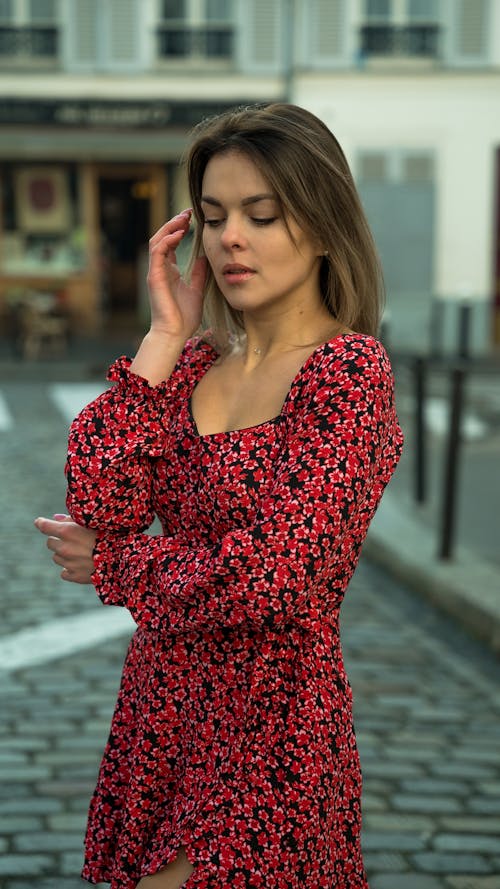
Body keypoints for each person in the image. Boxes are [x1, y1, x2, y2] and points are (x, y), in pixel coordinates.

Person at [35, 103, 403, 889]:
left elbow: (271, 575)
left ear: (325, 225)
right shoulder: (194, 368)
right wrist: (165, 336)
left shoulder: (348, 374)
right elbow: (99, 495)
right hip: (161, 717)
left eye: (261, 214)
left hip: (272, 729)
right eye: (213, 216)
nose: (231, 236)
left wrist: (120, 564)